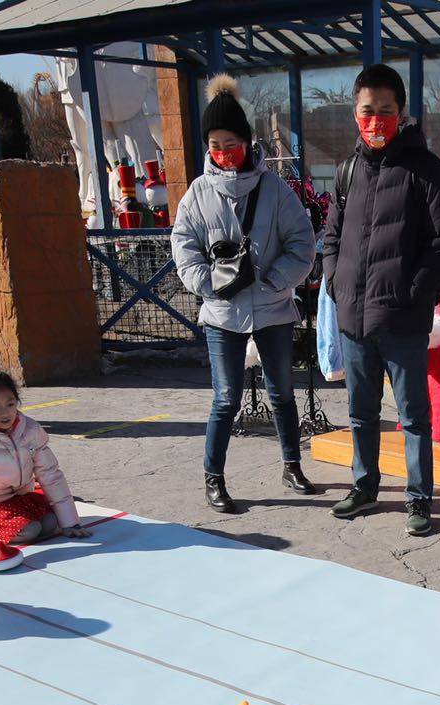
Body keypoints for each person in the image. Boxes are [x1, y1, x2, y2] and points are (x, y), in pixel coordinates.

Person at [321, 63, 440, 537]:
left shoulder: (426, 169)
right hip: (354, 319)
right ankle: (364, 486)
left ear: (400, 113)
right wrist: (333, 281)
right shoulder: (347, 171)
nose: (376, 119)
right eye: (367, 110)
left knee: (413, 417)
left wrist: (416, 291)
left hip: (402, 319)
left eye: (386, 110)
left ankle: (419, 497)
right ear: (354, 114)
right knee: (361, 412)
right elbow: (332, 235)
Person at [171, 75, 319, 514]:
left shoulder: (275, 189)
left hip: (274, 309)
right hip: (221, 315)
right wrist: (208, 284)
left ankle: (291, 465)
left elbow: (303, 243)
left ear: (247, 141)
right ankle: (213, 477)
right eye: (215, 144)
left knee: (282, 394)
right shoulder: (197, 195)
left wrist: (276, 280)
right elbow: (184, 247)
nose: (224, 152)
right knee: (225, 399)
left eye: (231, 142)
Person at [0, 366, 87, 549]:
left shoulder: (30, 430)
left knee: (52, 523)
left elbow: (50, 474)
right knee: (30, 531)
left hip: (20, 497)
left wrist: (70, 523)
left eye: (10, 404)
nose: (5, 413)